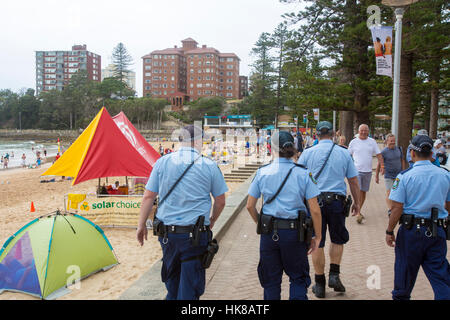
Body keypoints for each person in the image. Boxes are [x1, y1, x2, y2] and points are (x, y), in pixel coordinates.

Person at [136, 125, 228, 300]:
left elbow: (148, 196)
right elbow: (221, 201)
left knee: (172, 282)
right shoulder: (209, 164)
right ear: (198, 141)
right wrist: (212, 221)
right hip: (195, 234)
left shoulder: (162, 162)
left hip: (168, 235)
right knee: (190, 287)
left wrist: (141, 225)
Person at [246, 130, 322, 300]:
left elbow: (250, 206)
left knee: (271, 281)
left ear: (272, 148)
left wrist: (261, 224)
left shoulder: (262, 172)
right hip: (294, 233)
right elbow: (315, 210)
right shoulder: (303, 173)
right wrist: (318, 236)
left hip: (269, 233)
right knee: (298, 278)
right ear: (293, 148)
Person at [298, 121, 361, 298]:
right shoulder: (343, 152)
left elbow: (299, 179)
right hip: (336, 202)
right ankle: (334, 274)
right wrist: (357, 203)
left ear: (317, 135)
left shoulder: (308, 153)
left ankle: (319, 284)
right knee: (338, 239)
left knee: (317, 241)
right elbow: (354, 181)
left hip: (314, 202)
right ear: (333, 134)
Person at [386, 134, 450, 300]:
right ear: (431, 154)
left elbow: (396, 208)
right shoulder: (445, 175)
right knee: (442, 280)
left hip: (411, 232)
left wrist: (389, 230)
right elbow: (448, 205)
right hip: (437, 231)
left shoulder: (405, 176)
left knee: (403, 280)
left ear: (412, 153)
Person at [348, 124, 384, 224]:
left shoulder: (372, 141)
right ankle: (358, 212)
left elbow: (379, 154)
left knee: (363, 192)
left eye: (366, 131)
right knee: (358, 190)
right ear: (358, 131)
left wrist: (382, 166)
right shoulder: (354, 142)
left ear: (368, 131)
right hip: (356, 171)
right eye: (362, 130)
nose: (364, 132)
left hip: (367, 171)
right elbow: (348, 155)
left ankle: (359, 209)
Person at [376, 134, 406, 215]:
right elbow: (379, 163)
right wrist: (376, 176)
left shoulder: (399, 149)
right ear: (387, 141)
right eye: (391, 141)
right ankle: (390, 210)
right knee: (389, 193)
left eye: (394, 141)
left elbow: (402, 160)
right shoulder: (384, 152)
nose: (393, 142)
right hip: (388, 176)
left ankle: (396, 208)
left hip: (398, 176)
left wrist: (403, 172)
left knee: (397, 192)